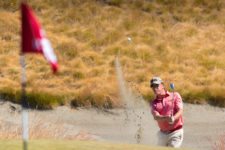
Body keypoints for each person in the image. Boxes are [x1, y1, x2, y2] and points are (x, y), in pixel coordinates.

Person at [150, 77, 184, 148]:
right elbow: (156, 117)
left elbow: (180, 110)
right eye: (153, 86)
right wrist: (166, 118)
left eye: (157, 85)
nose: (154, 88)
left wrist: (174, 118)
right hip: (162, 133)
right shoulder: (154, 103)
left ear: (162, 85)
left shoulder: (175, 95)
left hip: (176, 132)